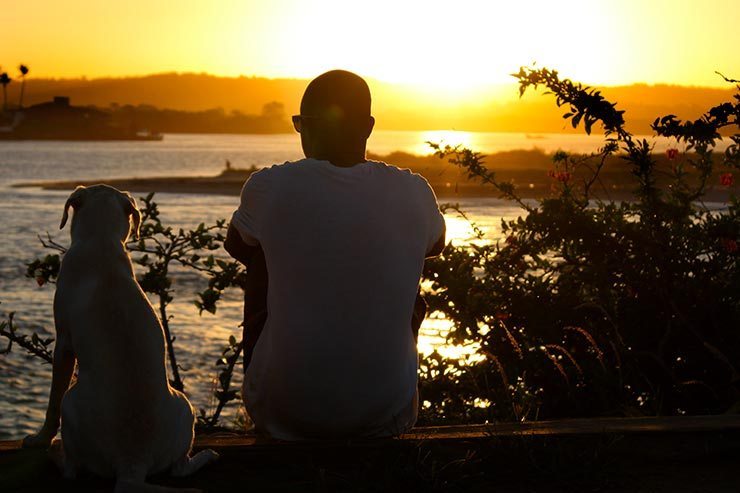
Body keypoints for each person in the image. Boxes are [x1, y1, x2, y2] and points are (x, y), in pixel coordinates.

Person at [224, 70, 445, 440]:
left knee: (263, 258)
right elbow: (434, 248)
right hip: (388, 415)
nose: (303, 134)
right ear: (369, 127)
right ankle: (372, 389)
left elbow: (237, 245)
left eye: (302, 124)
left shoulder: (269, 186)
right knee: (409, 288)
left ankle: (285, 393)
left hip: (284, 414)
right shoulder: (415, 191)